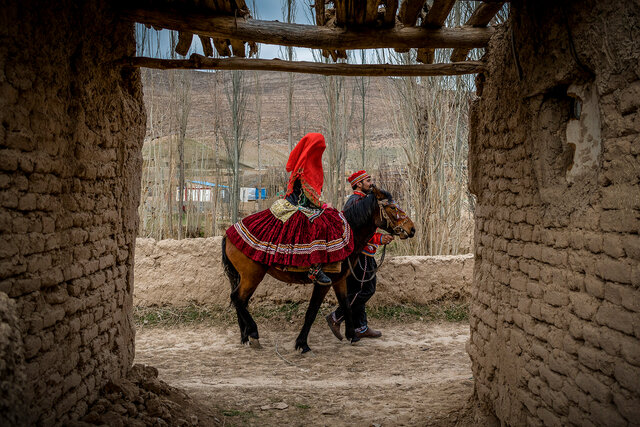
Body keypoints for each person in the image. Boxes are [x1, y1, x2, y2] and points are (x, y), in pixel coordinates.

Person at [225, 133, 353, 285]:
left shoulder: (304, 163)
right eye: (320, 147)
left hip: (295, 204)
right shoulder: (306, 166)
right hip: (297, 207)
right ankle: (315, 268)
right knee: (320, 225)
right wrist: (324, 205)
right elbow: (310, 195)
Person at [325, 170, 394, 339]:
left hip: (363, 253)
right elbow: (356, 232)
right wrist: (379, 238)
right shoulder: (355, 202)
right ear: (358, 184)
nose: (371, 183)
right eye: (367, 180)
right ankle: (337, 317)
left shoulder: (360, 201)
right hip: (361, 254)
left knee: (357, 291)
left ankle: (360, 327)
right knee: (366, 290)